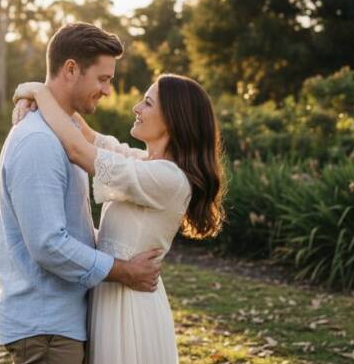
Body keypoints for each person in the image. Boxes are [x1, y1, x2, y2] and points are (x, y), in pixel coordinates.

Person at [12, 73, 225, 364]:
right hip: (112, 293)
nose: (136, 108)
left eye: (147, 103)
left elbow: (78, 149)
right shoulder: (144, 163)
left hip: (129, 305)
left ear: (174, 120)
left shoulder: (168, 178)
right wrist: (32, 92)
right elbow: (85, 134)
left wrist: (36, 89)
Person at [0, 22, 164, 364]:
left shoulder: (65, 131)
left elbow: (73, 225)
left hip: (62, 323)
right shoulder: (38, 141)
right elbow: (49, 243)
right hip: (45, 328)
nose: (107, 91)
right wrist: (124, 270)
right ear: (71, 69)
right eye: (103, 79)